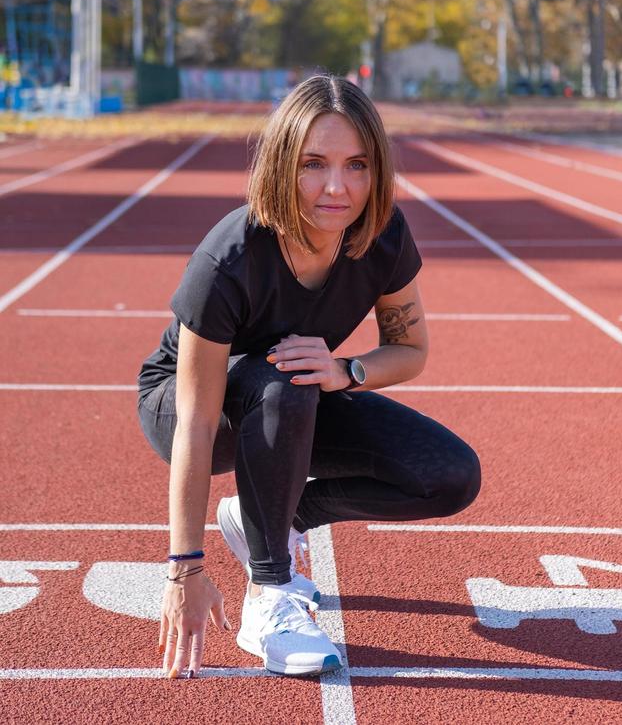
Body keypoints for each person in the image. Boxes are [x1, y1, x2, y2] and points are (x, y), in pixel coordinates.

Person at [137, 73, 481, 680]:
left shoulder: (382, 234)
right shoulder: (230, 258)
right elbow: (191, 419)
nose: (336, 187)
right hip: (188, 408)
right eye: (313, 163)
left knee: (449, 477)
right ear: (279, 165)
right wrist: (184, 568)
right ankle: (270, 599)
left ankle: (271, 516)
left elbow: (410, 348)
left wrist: (346, 371)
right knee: (285, 378)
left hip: (290, 399)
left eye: (356, 165)